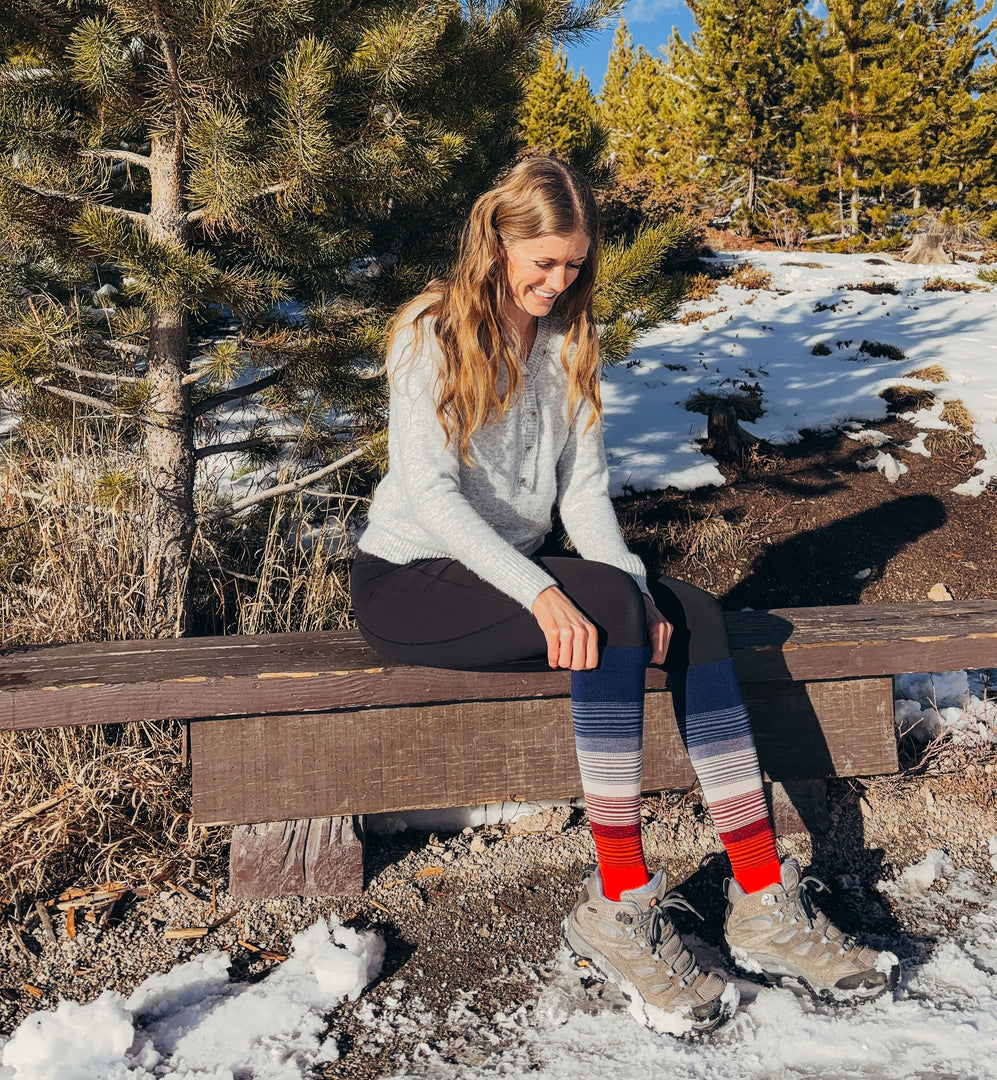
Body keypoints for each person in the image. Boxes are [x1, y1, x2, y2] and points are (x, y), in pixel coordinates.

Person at [351, 155, 899, 1035]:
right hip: (411, 580)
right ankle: (618, 904)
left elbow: (581, 497)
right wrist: (543, 594)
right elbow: (431, 497)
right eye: (542, 262)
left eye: (573, 264)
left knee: (695, 615)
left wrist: (637, 595)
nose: (557, 281)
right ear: (498, 241)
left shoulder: (569, 340)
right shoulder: (431, 330)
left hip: (500, 573)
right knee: (603, 605)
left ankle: (761, 893)